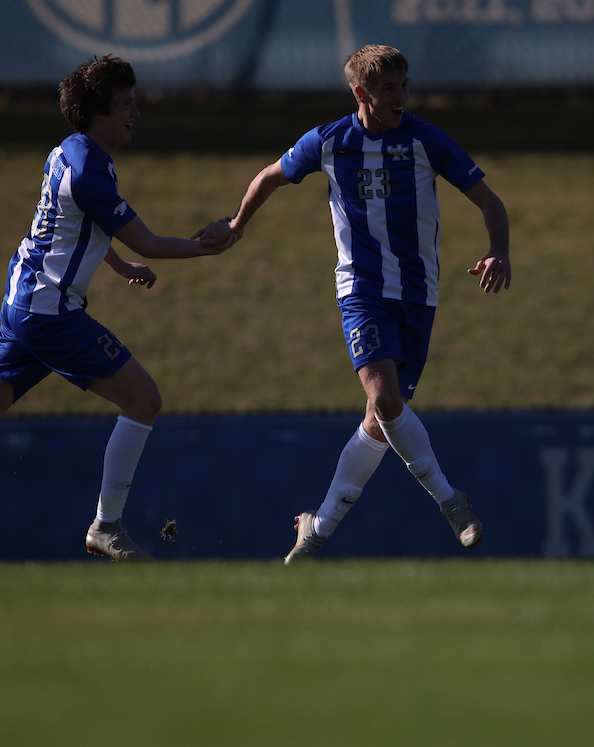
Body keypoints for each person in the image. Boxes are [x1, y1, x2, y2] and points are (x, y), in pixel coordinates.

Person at [212, 45, 511, 562]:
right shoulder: (329, 141)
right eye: (390, 88)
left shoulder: (423, 139)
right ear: (362, 95)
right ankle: (451, 501)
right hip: (362, 292)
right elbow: (268, 176)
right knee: (387, 400)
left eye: (404, 85)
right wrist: (237, 225)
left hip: (419, 294)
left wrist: (498, 251)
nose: (402, 96)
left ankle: (319, 526)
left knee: (380, 419)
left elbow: (489, 199)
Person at [0, 55, 235, 562]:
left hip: (24, 303)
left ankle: (106, 526)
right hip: (51, 315)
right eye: (127, 104)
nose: (136, 112)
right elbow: (149, 241)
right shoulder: (89, 168)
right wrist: (213, 245)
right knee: (144, 400)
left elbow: (73, 226)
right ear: (98, 113)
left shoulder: (68, 152)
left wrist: (115, 264)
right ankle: (106, 527)